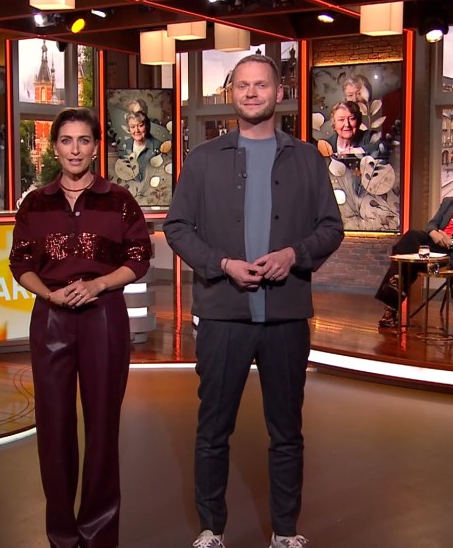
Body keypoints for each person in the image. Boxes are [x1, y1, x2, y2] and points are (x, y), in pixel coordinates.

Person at [165, 54, 343, 548]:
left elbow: (332, 228)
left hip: (286, 316)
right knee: (212, 429)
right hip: (223, 314)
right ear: (232, 94)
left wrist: (294, 254)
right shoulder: (203, 159)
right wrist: (222, 263)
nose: (250, 93)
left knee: (287, 432)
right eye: (241, 85)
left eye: (260, 85)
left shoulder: (306, 158)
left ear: (278, 93)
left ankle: (285, 533)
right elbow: (177, 227)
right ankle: (211, 530)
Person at [9, 107, 152, 548]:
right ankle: (62, 536)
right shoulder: (36, 203)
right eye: (67, 141)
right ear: (55, 147)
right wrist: (49, 295)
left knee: (103, 426)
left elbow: (139, 257)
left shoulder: (118, 199)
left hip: (103, 316)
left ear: (95, 147)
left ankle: (98, 534)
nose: (75, 150)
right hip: (50, 318)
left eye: (84, 140)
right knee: (53, 428)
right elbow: (20, 262)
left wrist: (98, 285)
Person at [374, 164, 453, 327]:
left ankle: (391, 302)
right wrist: (434, 233)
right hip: (435, 246)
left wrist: (452, 242)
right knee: (412, 237)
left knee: (406, 260)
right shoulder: (448, 202)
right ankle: (395, 287)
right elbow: (432, 224)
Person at [117, 110, 161, 180]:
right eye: (132, 127)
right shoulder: (124, 146)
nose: (136, 130)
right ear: (129, 129)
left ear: (147, 126)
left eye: (140, 126)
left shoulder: (158, 146)